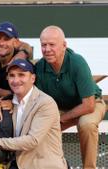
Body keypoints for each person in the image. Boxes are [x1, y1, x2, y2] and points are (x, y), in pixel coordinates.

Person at [35, 25, 106, 169]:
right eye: (43, 45)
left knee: (86, 124)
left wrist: (61, 119)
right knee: (40, 127)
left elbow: (89, 104)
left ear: (64, 45)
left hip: (90, 105)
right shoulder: (40, 67)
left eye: (52, 45)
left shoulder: (77, 62)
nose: (47, 49)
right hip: (60, 108)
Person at [0, 59, 68, 169]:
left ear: (33, 78)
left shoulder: (45, 103)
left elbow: (32, 140)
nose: (16, 80)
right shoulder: (11, 102)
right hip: (19, 165)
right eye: (12, 75)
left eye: (21, 75)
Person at [0, 21, 32, 98]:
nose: (1, 43)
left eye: (6, 39)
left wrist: (9, 94)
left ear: (16, 42)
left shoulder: (23, 63)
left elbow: (30, 93)